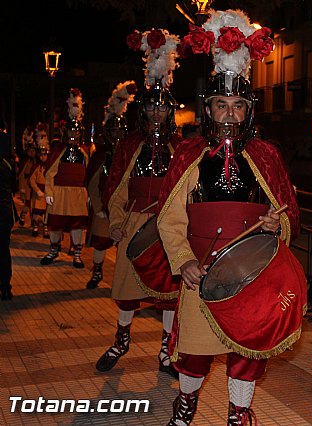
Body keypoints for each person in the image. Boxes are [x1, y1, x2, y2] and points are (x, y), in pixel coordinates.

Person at [157, 11, 304, 425]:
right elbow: (169, 218)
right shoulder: (188, 155)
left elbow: (287, 212)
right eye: (221, 105)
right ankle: (185, 406)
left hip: (251, 273)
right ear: (208, 108)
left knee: (246, 353)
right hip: (200, 272)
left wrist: (280, 227)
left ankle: (239, 412)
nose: (228, 114)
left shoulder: (267, 156)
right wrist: (183, 260)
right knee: (194, 353)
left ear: (248, 111)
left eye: (237, 106)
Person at [95, 29, 183, 377]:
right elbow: (116, 187)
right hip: (134, 225)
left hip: (169, 230)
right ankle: (121, 340)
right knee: (127, 290)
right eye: (152, 105)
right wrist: (116, 222)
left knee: (171, 295)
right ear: (144, 109)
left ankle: (166, 351)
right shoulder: (130, 144)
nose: (157, 111)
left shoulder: (181, 146)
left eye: (163, 105)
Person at [85, 81, 136, 289]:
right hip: (105, 208)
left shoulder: (131, 153)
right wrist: (98, 208)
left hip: (126, 209)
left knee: (125, 247)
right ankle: (97, 272)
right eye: (113, 131)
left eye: (120, 131)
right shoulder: (102, 154)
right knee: (101, 242)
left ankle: (122, 282)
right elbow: (93, 183)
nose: (117, 135)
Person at [40, 88, 90, 268]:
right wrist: (49, 192)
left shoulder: (84, 153)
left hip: (78, 195)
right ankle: (53, 250)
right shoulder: (58, 151)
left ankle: (77, 254)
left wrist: (89, 193)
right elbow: (50, 174)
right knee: (55, 224)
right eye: (70, 132)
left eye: (76, 132)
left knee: (77, 226)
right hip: (59, 194)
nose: (73, 135)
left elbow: (89, 175)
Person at [0, 131, 17, 300]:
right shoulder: (8, 164)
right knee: (4, 250)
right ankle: (5, 287)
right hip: (5, 213)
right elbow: (14, 186)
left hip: (4, 212)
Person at [29, 145, 49, 238]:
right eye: (41, 155)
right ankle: (35, 228)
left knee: (46, 213)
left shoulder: (49, 167)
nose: (43, 157)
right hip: (37, 193)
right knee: (36, 212)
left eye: (44, 155)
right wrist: (37, 190)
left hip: (47, 193)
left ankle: (46, 230)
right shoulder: (36, 167)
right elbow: (31, 180)